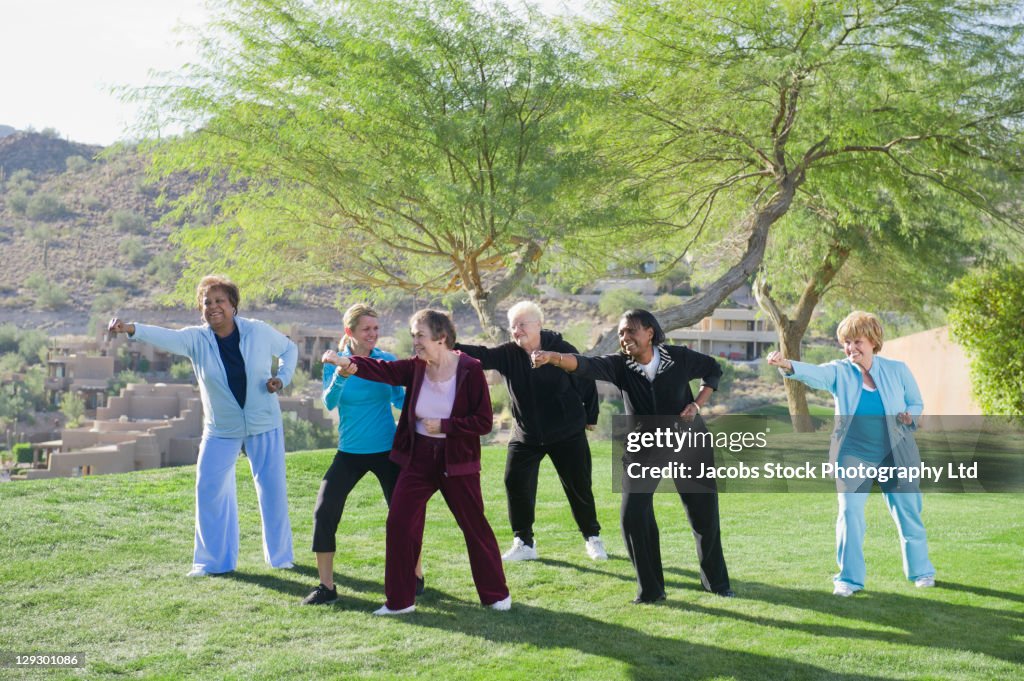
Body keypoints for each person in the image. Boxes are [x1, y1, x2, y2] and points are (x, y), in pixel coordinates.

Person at [532, 309, 734, 603]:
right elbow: (585, 365)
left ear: (649, 332)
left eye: (631, 331)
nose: (625, 338)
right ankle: (651, 590)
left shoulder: (679, 357)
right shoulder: (619, 365)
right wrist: (553, 358)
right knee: (633, 516)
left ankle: (717, 583)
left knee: (704, 516)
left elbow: (713, 369)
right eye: (621, 333)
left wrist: (696, 404)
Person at [107, 275, 297, 576]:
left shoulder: (259, 332)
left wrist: (282, 379)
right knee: (208, 488)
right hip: (220, 428)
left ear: (233, 305)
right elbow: (164, 336)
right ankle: (212, 562)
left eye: (220, 301)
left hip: (264, 423)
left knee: (271, 491)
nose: (214, 307)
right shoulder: (197, 339)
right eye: (207, 303)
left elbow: (290, 350)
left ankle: (281, 558)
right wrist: (130, 328)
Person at [334, 309, 510, 615]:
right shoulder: (415, 368)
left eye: (420, 335)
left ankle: (496, 596)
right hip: (418, 460)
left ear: (441, 338)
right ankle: (400, 602)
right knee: (399, 523)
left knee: (475, 527)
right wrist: (348, 363)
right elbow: (383, 370)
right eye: (413, 334)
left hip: (456, 462)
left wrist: (446, 426)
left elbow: (483, 422)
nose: (414, 341)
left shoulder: (469, 369)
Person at [766, 310, 935, 596]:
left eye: (857, 341)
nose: (851, 348)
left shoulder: (897, 370)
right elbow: (816, 374)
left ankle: (922, 571)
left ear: (873, 341)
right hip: (853, 455)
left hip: (896, 454)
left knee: (909, 514)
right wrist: (787, 365)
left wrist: (910, 415)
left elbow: (916, 402)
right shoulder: (840, 371)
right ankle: (848, 579)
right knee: (849, 514)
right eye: (846, 342)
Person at [455, 301, 606, 562]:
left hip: (566, 433)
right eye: (513, 325)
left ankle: (592, 538)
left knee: (579, 486)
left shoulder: (561, 349)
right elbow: (481, 355)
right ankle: (524, 543)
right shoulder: (509, 353)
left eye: (522, 324)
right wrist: (447, 343)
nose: (517, 330)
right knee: (515, 482)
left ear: (538, 324)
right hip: (527, 436)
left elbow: (586, 379)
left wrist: (591, 415)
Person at [302, 304, 424, 605]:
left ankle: (415, 575)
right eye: (366, 329)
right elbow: (330, 402)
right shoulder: (334, 363)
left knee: (405, 514)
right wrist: (342, 375)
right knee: (324, 510)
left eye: (375, 328)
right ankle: (326, 587)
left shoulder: (386, 360)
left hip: (387, 451)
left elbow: (400, 399)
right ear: (350, 332)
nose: (373, 334)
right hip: (350, 452)